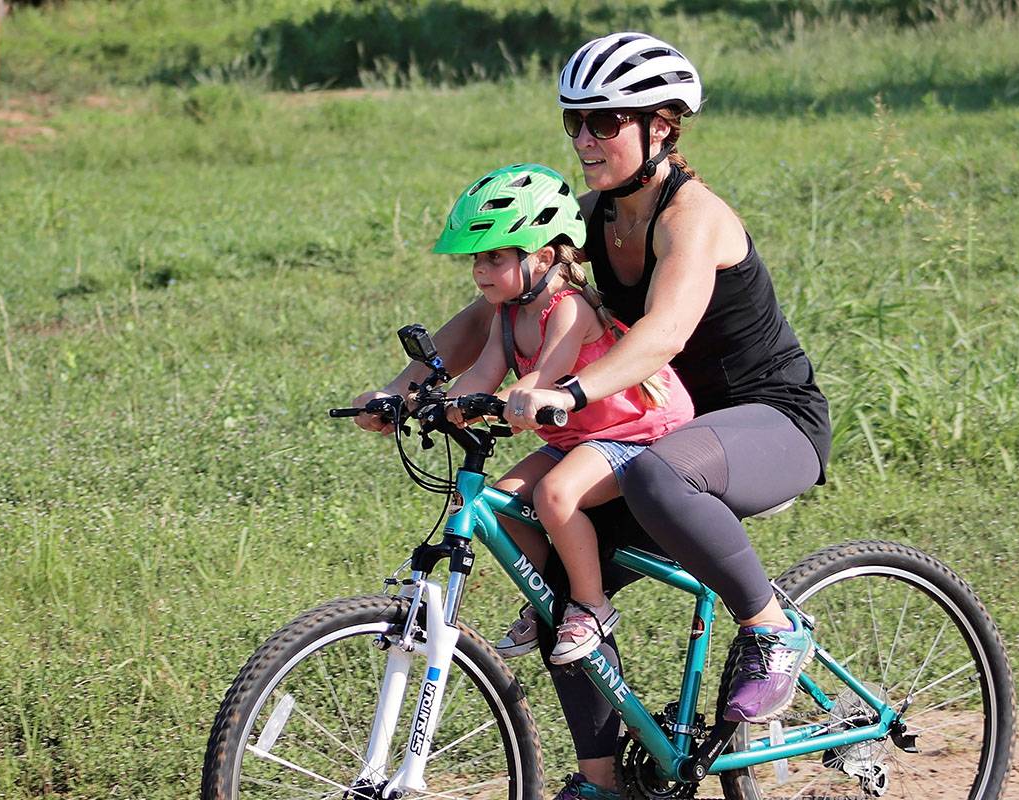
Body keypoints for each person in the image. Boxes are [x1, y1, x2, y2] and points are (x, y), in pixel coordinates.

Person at [353, 32, 831, 797]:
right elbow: (487, 317)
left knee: (659, 476)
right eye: (574, 121)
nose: (583, 139)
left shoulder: (693, 217)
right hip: (664, 434)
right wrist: (404, 385)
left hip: (769, 421)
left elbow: (663, 334)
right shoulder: (588, 219)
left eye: (604, 121)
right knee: (554, 589)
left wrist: (567, 393)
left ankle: (772, 628)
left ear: (661, 126)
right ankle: (603, 781)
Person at [435, 163, 695, 665]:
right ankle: (551, 598)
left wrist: (516, 398)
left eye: (494, 257)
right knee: (500, 503)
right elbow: (483, 373)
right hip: (577, 437)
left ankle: (592, 606)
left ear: (543, 257)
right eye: (476, 260)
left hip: (635, 433)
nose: (480, 270)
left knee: (555, 495)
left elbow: (546, 377)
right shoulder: (508, 314)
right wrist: (437, 403)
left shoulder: (569, 308)